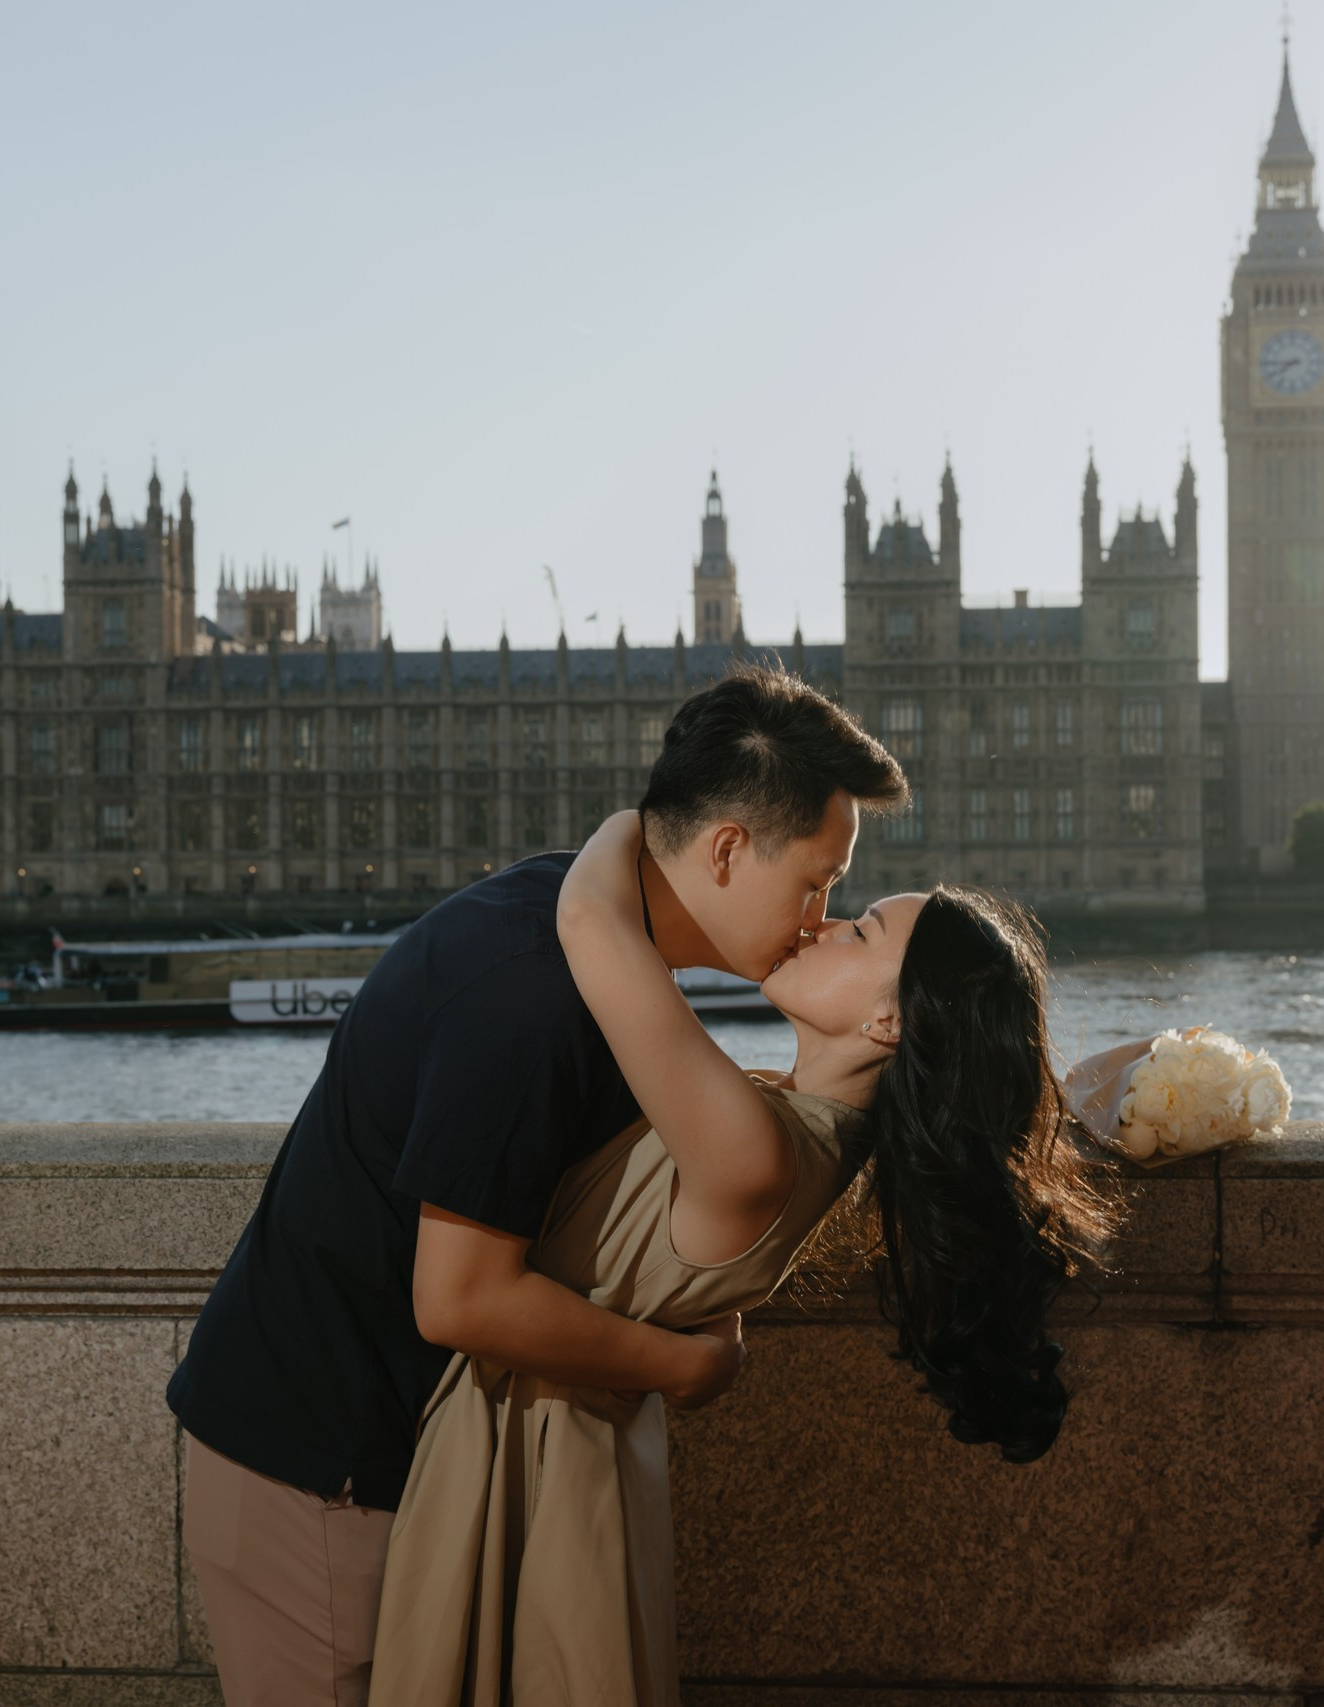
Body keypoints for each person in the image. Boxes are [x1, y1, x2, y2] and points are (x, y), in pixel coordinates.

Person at [166, 664, 907, 1707]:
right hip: (322, 1474)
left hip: (393, 1463)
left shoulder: (593, 930)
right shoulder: (531, 995)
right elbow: (460, 1296)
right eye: (818, 883)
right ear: (729, 849)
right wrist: (682, 1368)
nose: (822, 915)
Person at [366, 810, 1123, 1706]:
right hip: (573, 1461)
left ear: (888, 1020)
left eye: (861, 925)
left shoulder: (752, 1149)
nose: (824, 920)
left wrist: (649, 819)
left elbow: (591, 924)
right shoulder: (812, 1138)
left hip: (529, 1472)